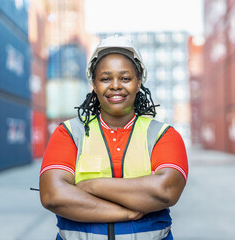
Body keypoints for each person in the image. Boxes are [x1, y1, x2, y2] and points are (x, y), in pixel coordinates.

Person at [39, 36, 188, 240]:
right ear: (94, 83)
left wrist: (91, 186)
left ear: (138, 83)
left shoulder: (163, 135)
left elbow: (166, 191)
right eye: (106, 78)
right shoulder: (69, 132)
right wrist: (126, 212)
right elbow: (53, 196)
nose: (115, 86)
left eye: (125, 78)